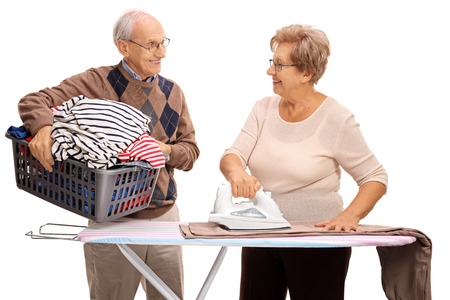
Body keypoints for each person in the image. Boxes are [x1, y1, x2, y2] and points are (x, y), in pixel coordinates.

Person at [18, 9, 199, 300]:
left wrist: (164, 151)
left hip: (165, 218)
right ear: (123, 47)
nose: (162, 52)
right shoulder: (97, 82)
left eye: (163, 42)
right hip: (114, 220)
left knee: (170, 297)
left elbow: (190, 151)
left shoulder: (173, 92)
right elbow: (34, 101)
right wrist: (43, 129)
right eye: (151, 44)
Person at [220, 24, 388, 300]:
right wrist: (237, 171)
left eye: (279, 65)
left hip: (316, 243)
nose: (270, 71)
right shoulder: (263, 109)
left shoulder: (336, 118)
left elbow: (375, 177)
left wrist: (350, 216)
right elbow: (232, 154)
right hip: (263, 236)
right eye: (272, 63)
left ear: (306, 73)